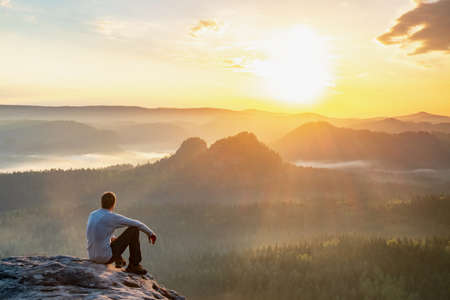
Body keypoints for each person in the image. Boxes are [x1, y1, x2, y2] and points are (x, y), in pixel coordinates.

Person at [86, 191, 157, 275]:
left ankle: (119, 260)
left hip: (92, 256)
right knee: (133, 230)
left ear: (101, 202)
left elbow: (100, 233)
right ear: (113, 204)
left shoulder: (92, 214)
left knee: (112, 238)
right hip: (104, 258)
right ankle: (134, 265)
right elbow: (137, 223)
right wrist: (151, 234)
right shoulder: (111, 217)